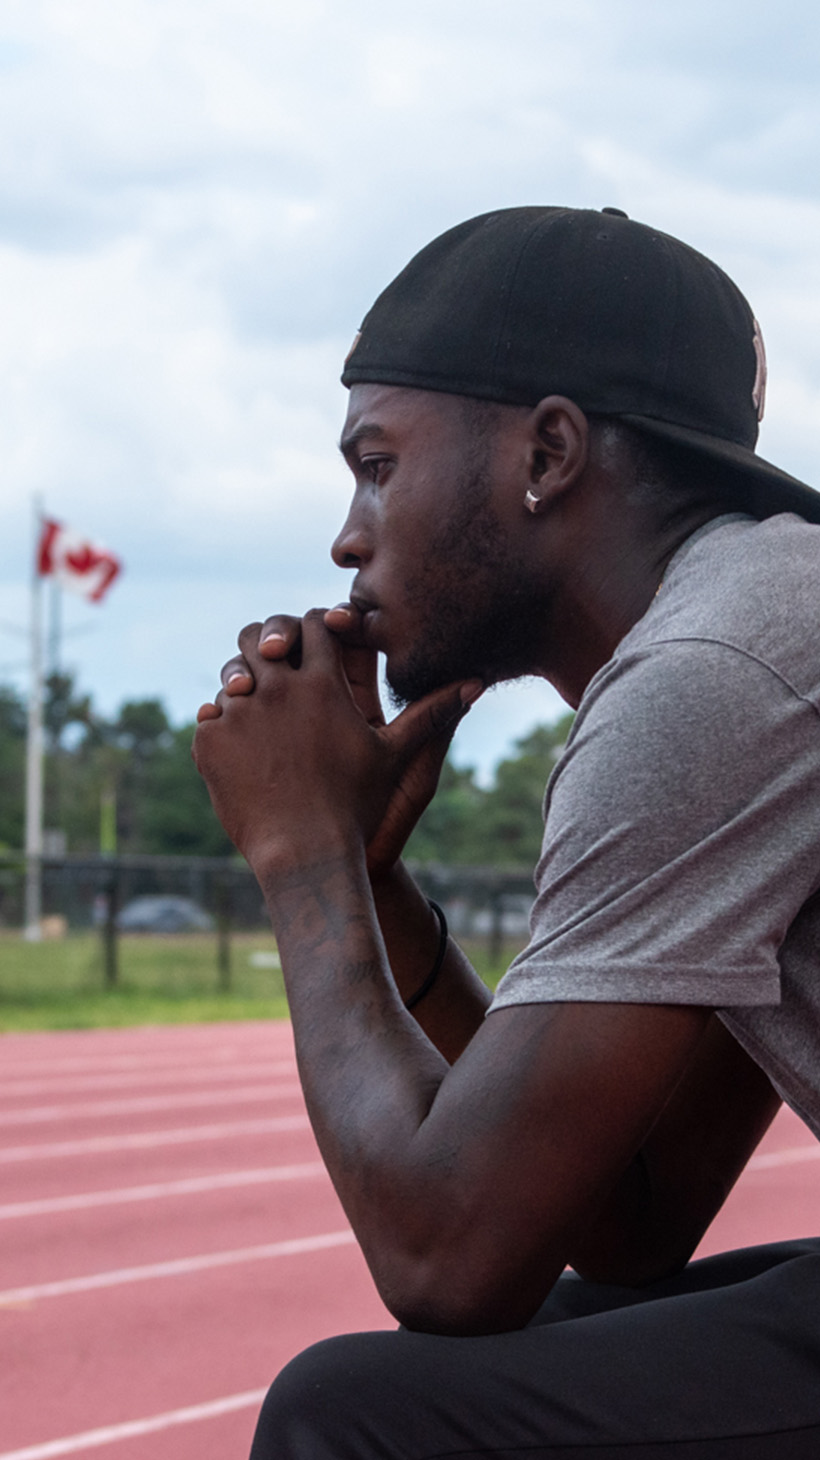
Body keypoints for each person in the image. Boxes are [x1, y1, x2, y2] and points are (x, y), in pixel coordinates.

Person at [193, 206, 820, 1458]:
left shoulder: (707, 676)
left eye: (376, 464)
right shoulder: (763, 617)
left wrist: (304, 855)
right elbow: (634, 1213)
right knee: (587, 1322)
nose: (347, 535)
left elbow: (447, 1258)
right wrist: (377, 881)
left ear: (546, 452)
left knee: (352, 1414)